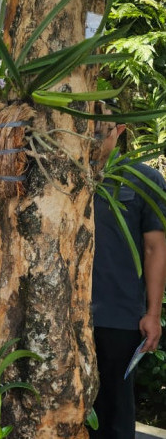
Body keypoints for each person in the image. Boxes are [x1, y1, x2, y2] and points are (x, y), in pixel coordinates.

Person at [90, 115, 166, 439]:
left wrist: (152, 313)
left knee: (116, 413)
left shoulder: (144, 179)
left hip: (119, 318)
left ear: (118, 131)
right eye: (86, 131)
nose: (93, 140)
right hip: (66, 316)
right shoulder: (66, 177)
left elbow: (155, 248)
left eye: (100, 131)